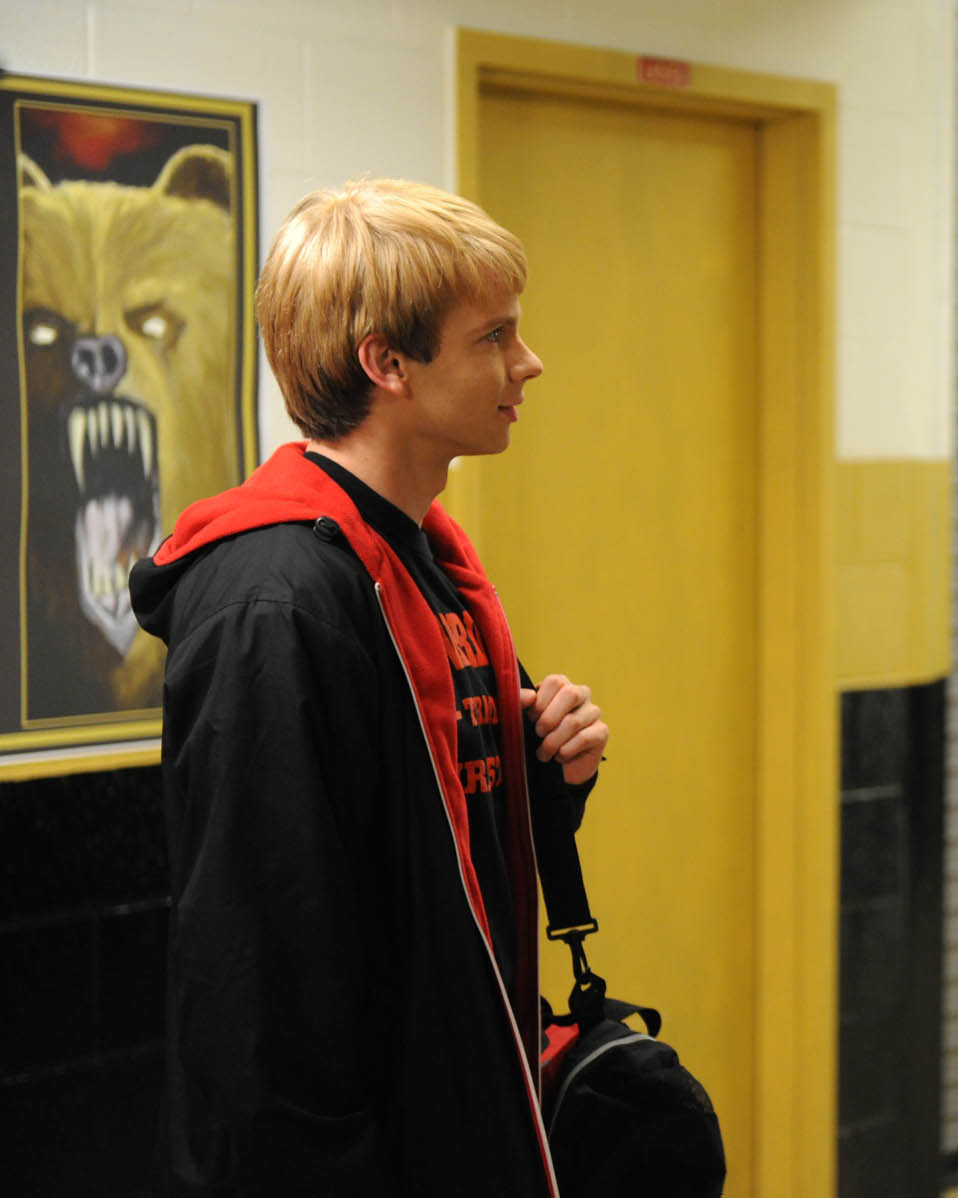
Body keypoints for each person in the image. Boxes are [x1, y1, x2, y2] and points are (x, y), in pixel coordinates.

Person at [130, 179, 610, 1195]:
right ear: (387, 363)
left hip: (456, 1115)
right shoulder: (275, 600)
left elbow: (428, 846)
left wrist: (543, 770)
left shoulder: (425, 561)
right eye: (493, 337)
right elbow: (259, 981)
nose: (528, 363)